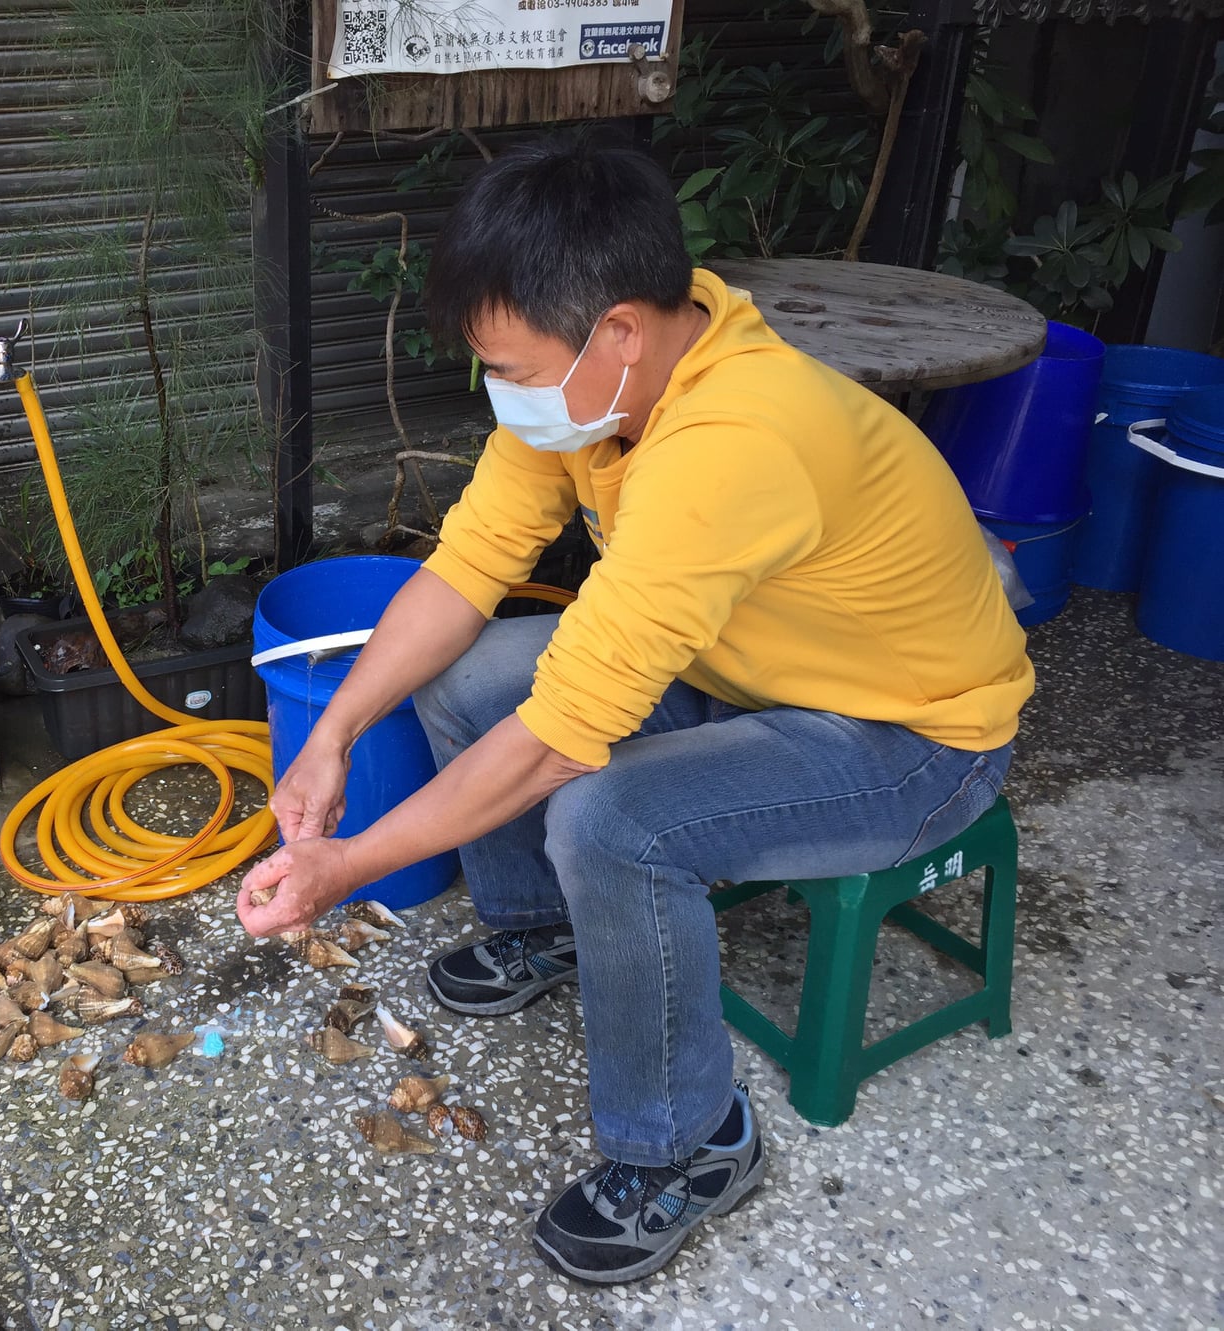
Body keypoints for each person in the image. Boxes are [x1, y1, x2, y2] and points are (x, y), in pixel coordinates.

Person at [235, 138, 1033, 1285]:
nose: (502, 394)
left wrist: (347, 864)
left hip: (909, 736)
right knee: (471, 676)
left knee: (610, 819)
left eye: (511, 367)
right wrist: (333, 732)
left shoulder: (734, 443)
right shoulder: (599, 391)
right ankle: (547, 921)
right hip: (748, 665)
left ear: (617, 331)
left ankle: (688, 1145)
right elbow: (466, 568)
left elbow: (560, 743)